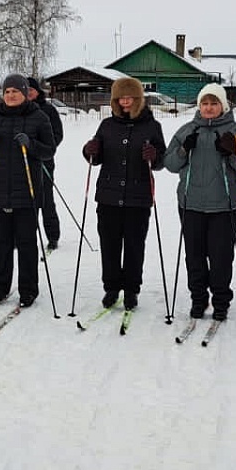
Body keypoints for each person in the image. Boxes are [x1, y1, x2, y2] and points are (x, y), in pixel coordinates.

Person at [163, 83, 236, 320]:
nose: (209, 108)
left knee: (221, 256)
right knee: (194, 255)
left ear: (223, 106)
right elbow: (170, 164)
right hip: (191, 204)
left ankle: (221, 300)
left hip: (225, 205)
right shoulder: (186, 130)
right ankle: (198, 299)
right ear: (199, 105)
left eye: (214, 103)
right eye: (205, 103)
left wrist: (233, 152)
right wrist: (183, 150)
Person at [80, 75, 166, 310]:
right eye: (120, 98)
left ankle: (131, 289)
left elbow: (161, 160)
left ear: (138, 99)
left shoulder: (151, 126)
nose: (125, 102)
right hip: (108, 196)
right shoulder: (107, 125)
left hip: (138, 197)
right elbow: (94, 158)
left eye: (129, 98)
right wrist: (90, 150)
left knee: (135, 246)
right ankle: (111, 287)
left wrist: (154, 155)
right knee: (109, 245)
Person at [0, 73, 56, 306]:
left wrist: (31, 144)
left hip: (27, 190)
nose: (11, 96)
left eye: (15, 92)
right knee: (0, 242)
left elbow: (49, 150)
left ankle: (28, 289)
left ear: (24, 94)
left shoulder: (38, 117)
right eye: (7, 92)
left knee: (26, 242)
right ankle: (0, 287)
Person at [27, 77, 64, 250]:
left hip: (43, 161)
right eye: (24, 90)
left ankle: (52, 236)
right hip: (22, 162)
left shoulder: (48, 110)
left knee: (46, 199)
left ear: (37, 91)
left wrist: (42, 148)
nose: (28, 94)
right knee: (25, 201)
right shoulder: (19, 110)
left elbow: (57, 135)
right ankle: (25, 236)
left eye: (30, 90)